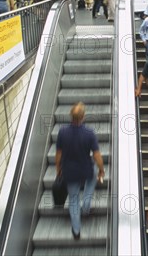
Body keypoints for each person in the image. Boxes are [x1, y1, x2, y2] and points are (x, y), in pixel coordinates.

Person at [55, 102, 105, 240]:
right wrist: (101, 170)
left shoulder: (62, 132)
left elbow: (58, 155)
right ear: (83, 116)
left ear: (71, 116)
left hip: (69, 172)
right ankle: (87, 206)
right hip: (86, 169)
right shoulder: (89, 133)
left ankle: (76, 230)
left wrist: (58, 169)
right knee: (93, 174)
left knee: (73, 199)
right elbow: (97, 156)